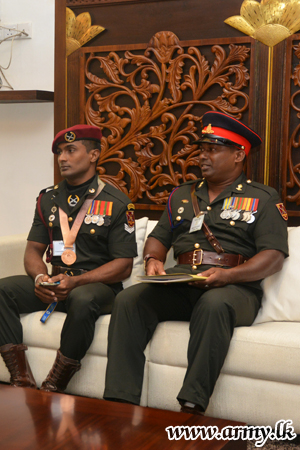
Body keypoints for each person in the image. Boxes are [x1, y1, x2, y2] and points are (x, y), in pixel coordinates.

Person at [103, 112, 289, 415]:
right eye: (202, 149)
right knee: (128, 300)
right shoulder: (182, 194)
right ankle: (120, 403)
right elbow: (159, 237)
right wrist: (153, 259)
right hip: (181, 282)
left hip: (235, 290)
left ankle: (192, 406)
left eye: (212, 149)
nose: (203, 156)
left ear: (238, 155)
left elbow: (273, 257)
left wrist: (228, 276)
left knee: (213, 304)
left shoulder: (263, 198)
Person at [0, 124, 138, 392]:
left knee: (82, 298)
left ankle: (55, 384)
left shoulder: (117, 202)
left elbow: (123, 266)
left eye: (70, 150)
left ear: (93, 155)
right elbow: (33, 250)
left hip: (96, 288)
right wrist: (40, 278)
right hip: (55, 284)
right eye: (59, 152)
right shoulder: (48, 199)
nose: (62, 158)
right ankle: (21, 378)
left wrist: (76, 282)